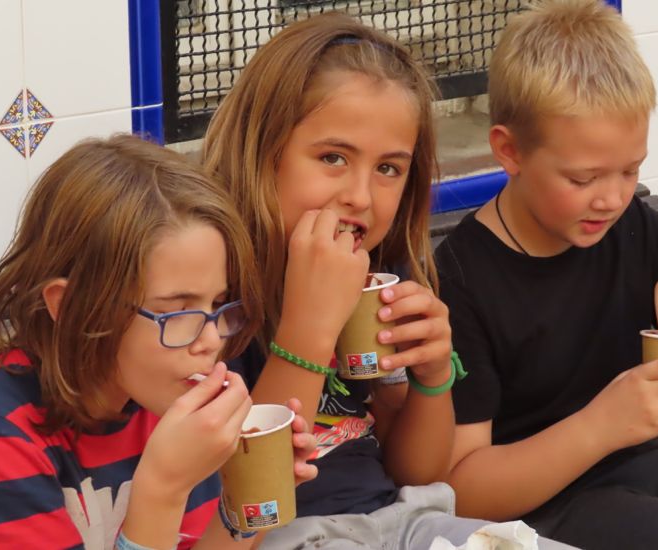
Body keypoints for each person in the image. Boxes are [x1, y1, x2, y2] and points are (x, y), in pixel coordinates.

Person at [203, 12, 574, 550]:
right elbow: (250, 499)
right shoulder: (209, 292)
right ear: (262, 151)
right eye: (333, 157)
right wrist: (310, 328)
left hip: (398, 521)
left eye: (388, 169)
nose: (360, 196)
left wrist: (432, 378)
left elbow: (417, 473)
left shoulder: (378, 270)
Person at [0, 134, 317, 549]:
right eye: (176, 312)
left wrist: (247, 496)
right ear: (73, 308)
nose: (210, 340)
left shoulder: (162, 401)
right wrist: (162, 489)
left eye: (219, 305)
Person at [435, 1, 658, 548]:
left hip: (650, 471)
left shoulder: (633, 225)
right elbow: (460, 491)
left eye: (631, 170)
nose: (612, 198)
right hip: (540, 511)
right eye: (583, 178)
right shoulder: (460, 281)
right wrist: (603, 425)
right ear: (509, 151)